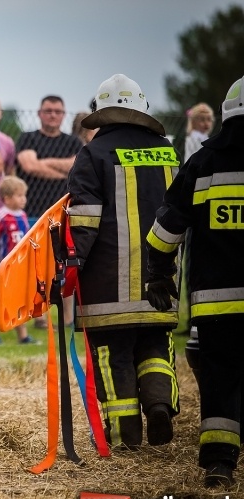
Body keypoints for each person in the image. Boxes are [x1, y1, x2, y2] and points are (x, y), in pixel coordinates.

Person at [66, 74, 180, 451]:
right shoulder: (166, 150)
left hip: (107, 282)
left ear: (101, 111)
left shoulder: (94, 153)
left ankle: (125, 437)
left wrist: (70, 264)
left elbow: (83, 219)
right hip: (159, 279)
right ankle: (160, 404)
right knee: (154, 345)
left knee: (113, 356)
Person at [145, 75, 244, 487]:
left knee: (220, 376)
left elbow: (165, 230)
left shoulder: (203, 163)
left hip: (216, 303)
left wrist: (158, 274)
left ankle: (220, 463)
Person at [15, 95, 83, 220]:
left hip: (63, 210)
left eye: (57, 112)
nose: (53, 115)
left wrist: (43, 163)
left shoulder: (73, 142)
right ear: (39, 113)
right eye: (48, 111)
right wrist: (64, 173)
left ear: (63, 115)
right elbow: (30, 166)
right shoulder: (28, 138)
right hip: (31, 209)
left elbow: (77, 167)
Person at [0, 176, 36, 344]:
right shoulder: (1, 216)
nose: (23, 199)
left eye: (24, 195)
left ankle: (23, 335)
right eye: (19, 195)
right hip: (4, 265)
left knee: (20, 300)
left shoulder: (23, 215)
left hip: (21, 266)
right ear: (7, 198)